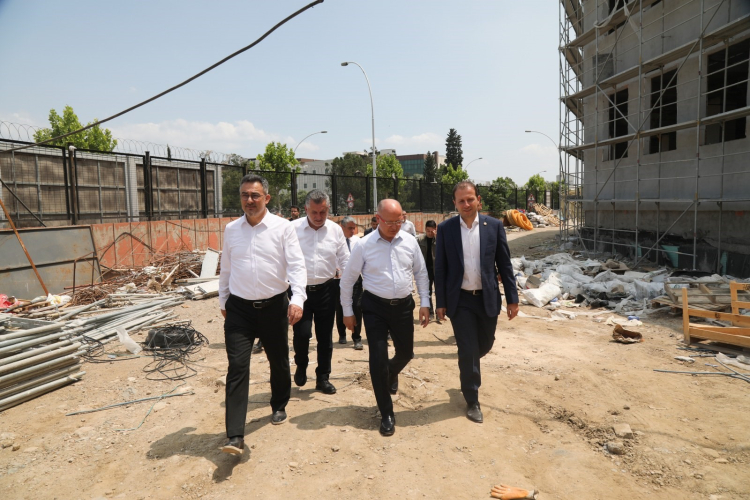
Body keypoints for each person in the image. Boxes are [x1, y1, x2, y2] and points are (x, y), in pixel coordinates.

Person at [218, 174, 307, 455]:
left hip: (274, 306)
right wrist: (223, 300)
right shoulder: (231, 230)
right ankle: (235, 435)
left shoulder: (283, 228)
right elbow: (226, 268)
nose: (249, 200)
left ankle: (279, 403)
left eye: (255, 195)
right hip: (239, 309)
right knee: (237, 366)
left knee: (278, 360)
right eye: (245, 195)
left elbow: (297, 265)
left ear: (266, 198)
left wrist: (298, 299)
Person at [340, 199, 430, 436]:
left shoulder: (409, 241)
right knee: (377, 358)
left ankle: (389, 373)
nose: (394, 226)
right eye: (389, 222)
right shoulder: (364, 245)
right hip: (374, 308)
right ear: (378, 219)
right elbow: (347, 280)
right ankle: (386, 413)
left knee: (406, 353)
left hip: (403, 307)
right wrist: (348, 312)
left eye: (399, 221)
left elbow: (421, 273)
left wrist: (425, 302)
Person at [434, 181, 519, 424]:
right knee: (469, 349)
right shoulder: (446, 229)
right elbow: (440, 268)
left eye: (470, 199)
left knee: (485, 343)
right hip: (460, 300)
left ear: (478, 200)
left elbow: (505, 264)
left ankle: (467, 361)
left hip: (487, 298)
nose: (466, 204)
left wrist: (512, 299)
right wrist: (440, 301)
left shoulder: (494, 226)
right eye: (461, 200)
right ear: (454, 203)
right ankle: (472, 399)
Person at [291, 190, 349, 395]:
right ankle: (301, 364)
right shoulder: (293, 229)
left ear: (328, 209)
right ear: (306, 209)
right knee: (302, 333)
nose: (318, 217)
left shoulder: (335, 230)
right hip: (300, 291)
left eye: (323, 212)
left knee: (325, 336)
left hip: (327, 289)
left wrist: (349, 285)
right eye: (314, 212)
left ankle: (323, 377)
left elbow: (345, 259)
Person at [335, 216, 363, 349]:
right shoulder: (335, 241)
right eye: (350, 228)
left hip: (355, 279)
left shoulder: (358, 242)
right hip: (338, 279)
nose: (352, 231)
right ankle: (342, 334)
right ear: (342, 227)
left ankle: (357, 337)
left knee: (357, 307)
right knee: (340, 307)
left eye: (354, 228)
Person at [417, 220, 437, 317]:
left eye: (432, 231)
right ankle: (430, 312)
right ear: (425, 229)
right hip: (426, 269)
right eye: (428, 231)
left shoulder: (439, 239)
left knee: (439, 291)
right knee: (427, 291)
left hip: (437, 269)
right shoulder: (420, 240)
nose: (430, 233)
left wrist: (437, 237)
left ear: (435, 229)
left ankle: (439, 312)